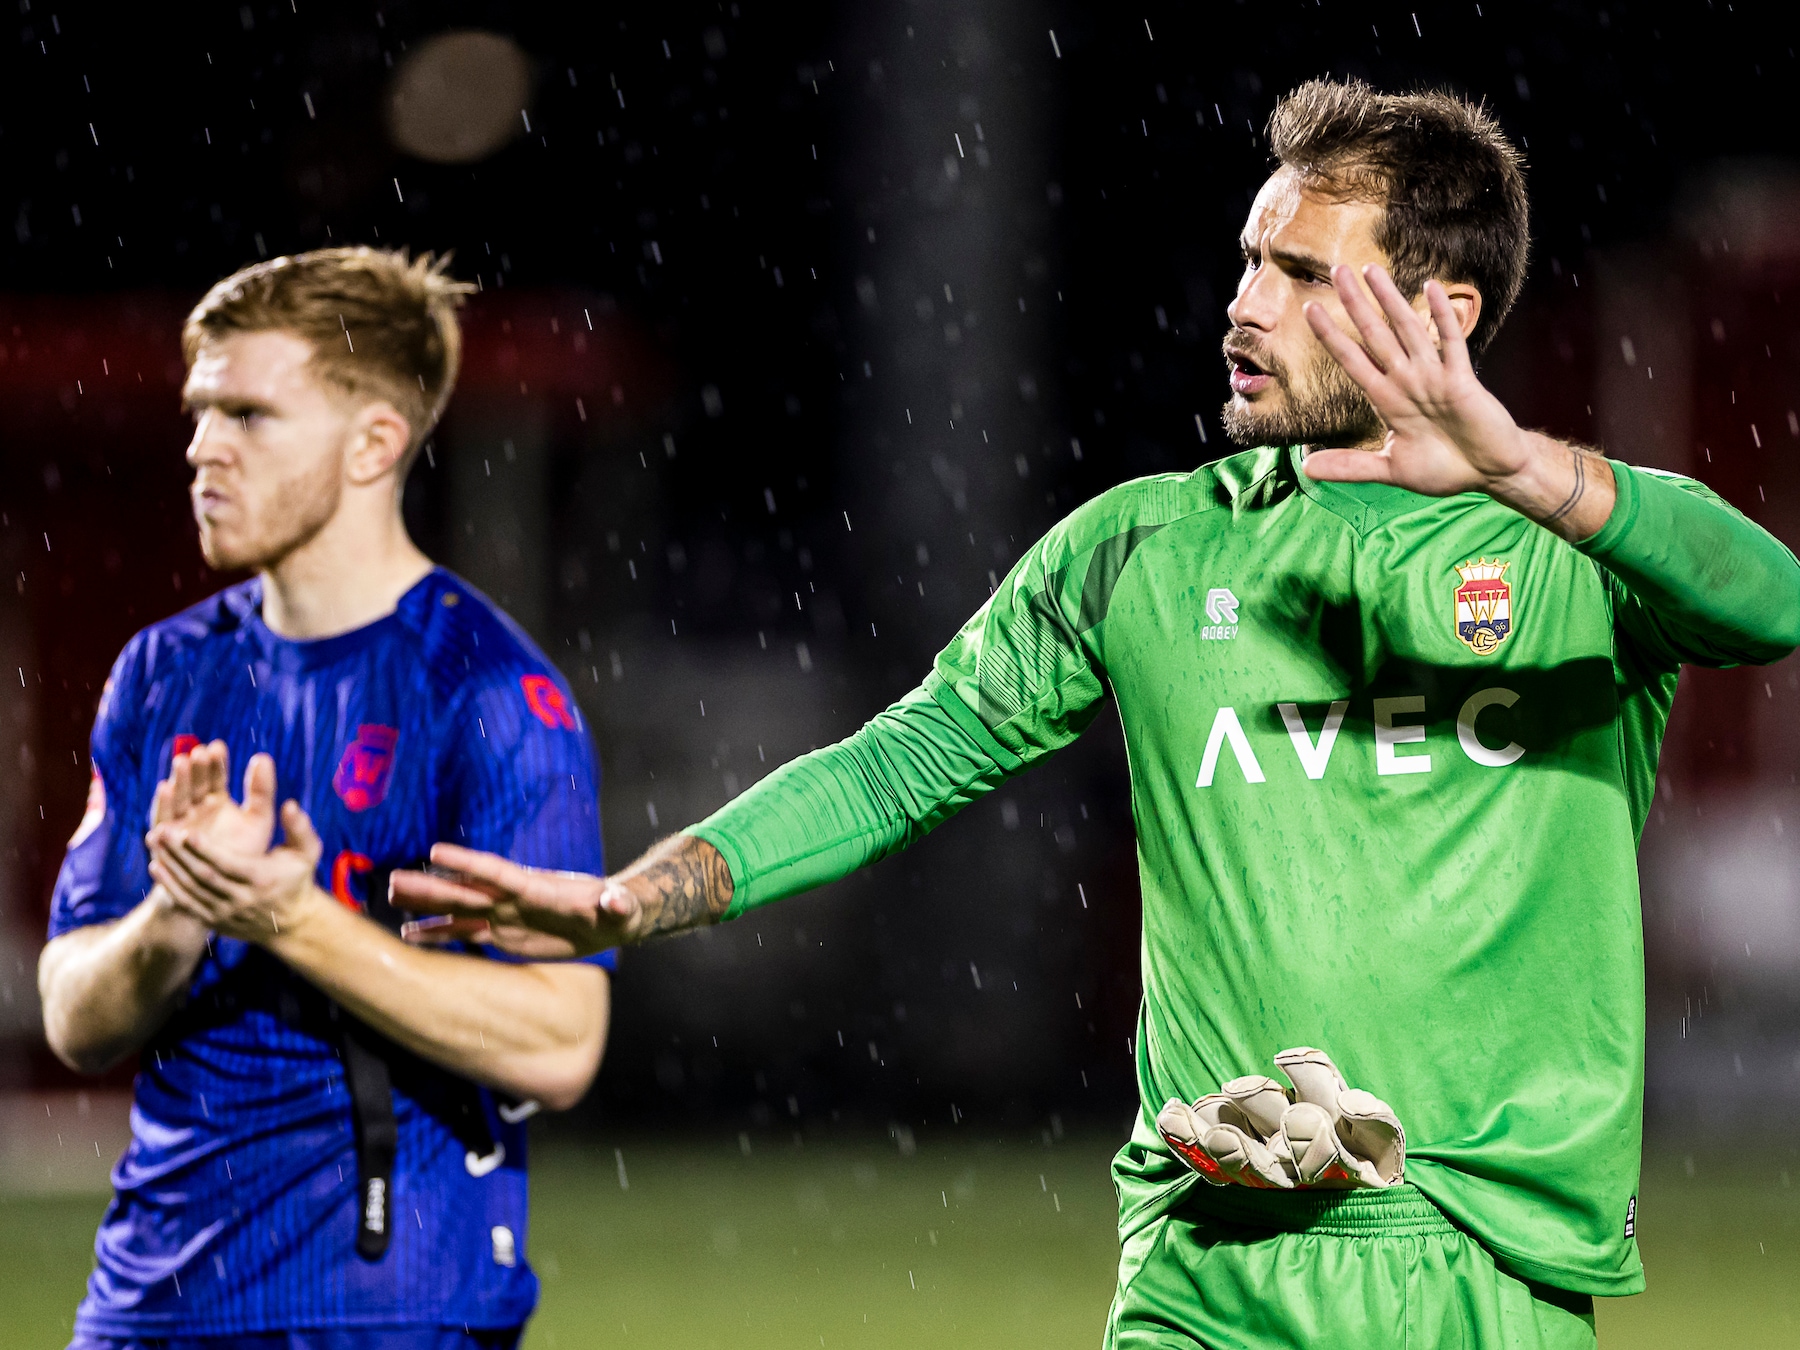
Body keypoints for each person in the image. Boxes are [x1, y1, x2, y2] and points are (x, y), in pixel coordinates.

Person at [388, 78, 1800, 1346]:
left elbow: (1774, 604)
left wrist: (1524, 468)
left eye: (1303, 274)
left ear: (1446, 315)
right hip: (1206, 1266)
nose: (1245, 305)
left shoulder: (1577, 552)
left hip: (1481, 1265)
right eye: (1249, 259)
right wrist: (637, 898)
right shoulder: (1147, 547)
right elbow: (901, 761)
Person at [37, 247, 612, 1350]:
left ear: (373, 444)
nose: (202, 447)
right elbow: (73, 1017)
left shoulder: (491, 695)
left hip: (389, 1309)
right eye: (201, 413)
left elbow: (559, 1039)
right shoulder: (163, 672)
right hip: (147, 1303)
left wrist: (292, 920)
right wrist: (179, 911)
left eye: (249, 415)